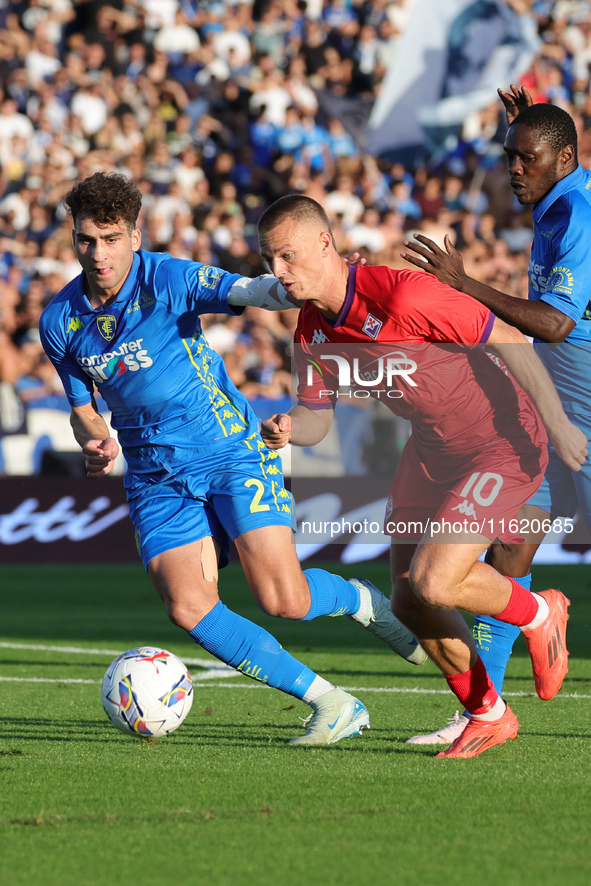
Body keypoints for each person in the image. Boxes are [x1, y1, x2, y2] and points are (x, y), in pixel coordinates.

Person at [38, 171, 428, 748]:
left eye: (112, 237)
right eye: (86, 240)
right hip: (153, 476)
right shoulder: (59, 321)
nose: (99, 253)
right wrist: (93, 437)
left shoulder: (167, 278)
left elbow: (249, 291)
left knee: (284, 600)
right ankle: (331, 702)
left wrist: (293, 287)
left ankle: (359, 599)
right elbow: (82, 407)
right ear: (73, 239)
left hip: (229, 449)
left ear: (135, 237)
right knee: (188, 607)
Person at [258, 193, 587, 758]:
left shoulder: (402, 293)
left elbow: (507, 338)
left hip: (500, 443)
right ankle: (488, 714)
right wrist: (292, 427)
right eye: (270, 261)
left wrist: (558, 424)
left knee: (437, 580)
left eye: (287, 257)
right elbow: (318, 415)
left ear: (324, 243)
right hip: (431, 452)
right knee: (410, 599)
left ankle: (540, 612)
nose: (277, 274)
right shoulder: (312, 329)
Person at [401, 87, 591, 745]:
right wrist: (530, 119)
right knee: (507, 552)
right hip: (549, 414)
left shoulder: (576, 215)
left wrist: (462, 283)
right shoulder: (555, 196)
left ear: (563, 158)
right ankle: (483, 710)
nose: (513, 169)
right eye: (509, 156)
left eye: (526, 160)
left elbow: (557, 323)